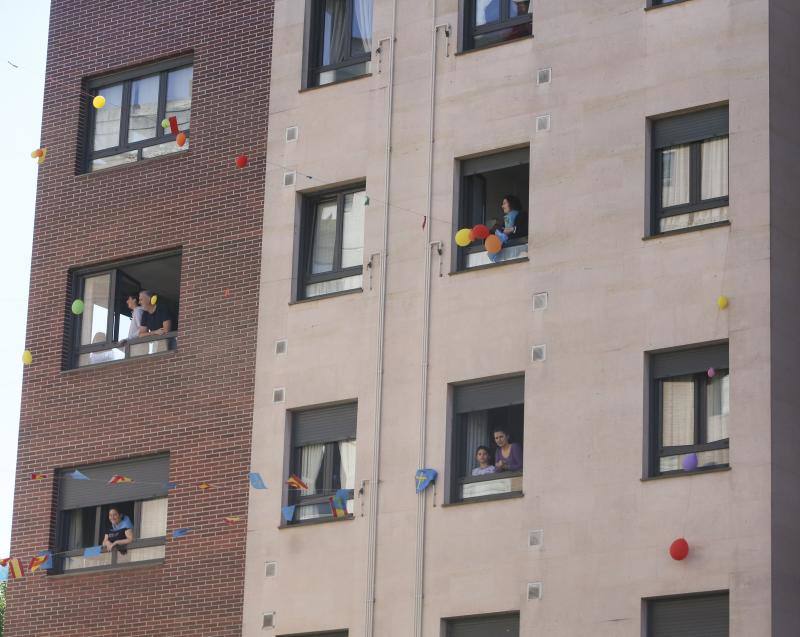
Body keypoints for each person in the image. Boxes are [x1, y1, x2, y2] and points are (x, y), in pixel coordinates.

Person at [488, 195, 522, 263]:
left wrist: (513, 229)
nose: (502, 206)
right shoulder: (505, 220)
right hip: (508, 253)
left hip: (518, 250)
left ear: (511, 203)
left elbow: (525, 230)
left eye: (504, 203)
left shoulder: (522, 215)